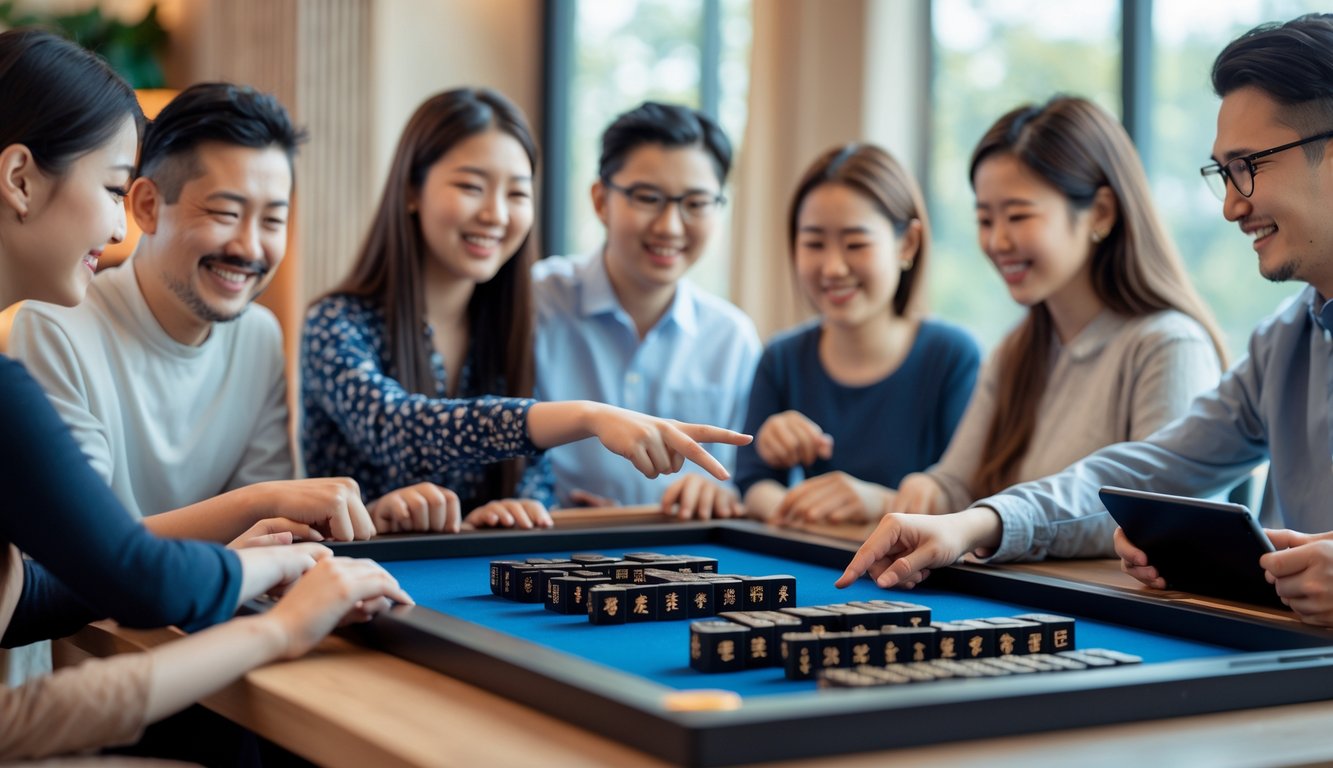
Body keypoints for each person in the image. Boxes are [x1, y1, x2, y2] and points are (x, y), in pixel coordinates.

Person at [840, 16, 1333, 628]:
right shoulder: (1282, 343)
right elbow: (1140, 474)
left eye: (1248, 165)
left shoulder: (1170, 340)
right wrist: (974, 524)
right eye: (1224, 174)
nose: (1232, 205)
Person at [0, 28, 408, 760]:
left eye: (273, 218)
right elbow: (127, 573)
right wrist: (278, 618)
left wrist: (257, 559)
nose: (117, 227)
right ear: (20, 180)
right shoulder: (30, 358)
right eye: (112, 189)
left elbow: (29, 594)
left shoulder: (258, 336)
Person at [303, 89, 751, 530]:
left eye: (517, 194)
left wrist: (517, 508)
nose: (495, 214)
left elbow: (532, 476)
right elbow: (396, 430)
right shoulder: (336, 323)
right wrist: (589, 416)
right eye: (471, 187)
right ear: (411, 190)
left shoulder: (510, 320)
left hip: (479, 570)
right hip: (353, 567)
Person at [9, 82, 381, 544]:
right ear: (147, 206)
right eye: (225, 213)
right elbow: (76, 545)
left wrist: (374, 517)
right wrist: (260, 503)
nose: (250, 248)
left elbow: (276, 530)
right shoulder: (53, 328)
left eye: (272, 221)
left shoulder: (258, 336)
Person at [527, 102, 761, 518]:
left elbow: (747, 481)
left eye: (696, 203)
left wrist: (720, 494)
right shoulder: (536, 303)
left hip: (683, 552)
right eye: (648, 198)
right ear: (601, 200)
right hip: (552, 541)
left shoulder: (731, 337)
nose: (670, 226)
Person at [735, 143, 980, 524]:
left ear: (907, 243)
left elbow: (971, 499)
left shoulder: (952, 356)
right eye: (814, 243)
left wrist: (880, 504)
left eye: (856, 244)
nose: (833, 268)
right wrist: (787, 486)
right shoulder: (781, 358)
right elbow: (753, 483)